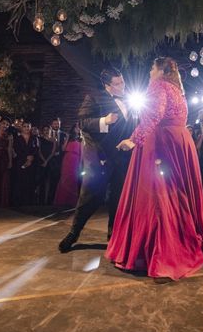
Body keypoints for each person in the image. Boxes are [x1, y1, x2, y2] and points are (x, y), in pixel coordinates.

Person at [107, 57, 203, 281]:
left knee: (159, 196)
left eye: (152, 68)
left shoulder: (159, 86)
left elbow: (155, 114)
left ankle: (165, 252)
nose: (150, 71)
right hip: (181, 142)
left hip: (162, 144)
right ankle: (183, 237)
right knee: (177, 194)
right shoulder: (177, 90)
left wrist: (134, 139)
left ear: (161, 70)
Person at [58, 67, 137, 251]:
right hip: (100, 156)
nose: (122, 86)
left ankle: (114, 239)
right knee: (89, 196)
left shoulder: (130, 101)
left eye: (122, 81)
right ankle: (73, 233)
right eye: (117, 84)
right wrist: (104, 121)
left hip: (122, 158)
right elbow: (83, 122)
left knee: (118, 199)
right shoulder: (94, 97)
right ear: (107, 85)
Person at [53, 123, 83, 207]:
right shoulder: (69, 138)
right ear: (73, 129)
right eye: (76, 127)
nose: (78, 129)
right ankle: (61, 201)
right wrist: (67, 138)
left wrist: (80, 164)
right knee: (64, 179)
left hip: (76, 160)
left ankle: (72, 201)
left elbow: (82, 153)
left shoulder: (81, 139)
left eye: (79, 128)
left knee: (73, 180)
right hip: (67, 159)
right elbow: (63, 149)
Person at [11, 121, 39, 206]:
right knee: (20, 182)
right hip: (20, 162)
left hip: (32, 163)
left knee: (30, 182)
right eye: (25, 126)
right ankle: (19, 203)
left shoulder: (34, 138)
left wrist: (30, 159)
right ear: (21, 128)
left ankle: (29, 203)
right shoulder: (17, 138)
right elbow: (17, 150)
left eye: (28, 126)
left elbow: (36, 149)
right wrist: (26, 158)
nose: (26, 128)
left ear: (30, 128)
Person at [36, 125, 57, 205]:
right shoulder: (40, 139)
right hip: (41, 161)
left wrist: (47, 161)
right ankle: (40, 200)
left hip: (50, 162)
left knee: (49, 181)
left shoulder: (54, 139)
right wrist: (44, 161)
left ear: (50, 130)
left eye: (48, 129)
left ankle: (48, 200)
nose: (46, 131)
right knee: (41, 181)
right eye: (44, 129)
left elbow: (53, 151)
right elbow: (39, 151)